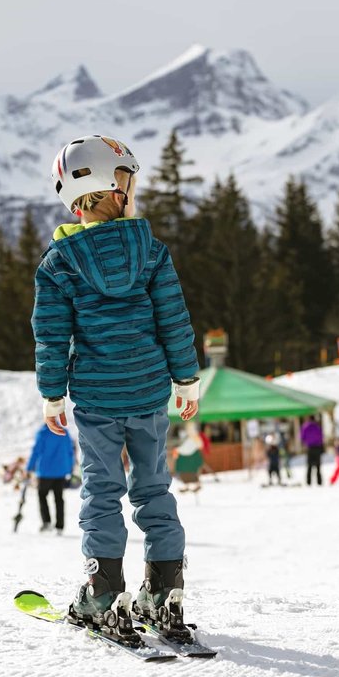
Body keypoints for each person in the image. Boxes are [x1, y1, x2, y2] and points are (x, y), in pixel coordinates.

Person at [32, 134, 200, 645]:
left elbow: (51, 333)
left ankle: (104, 596)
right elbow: (173, 319)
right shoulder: (150, 251)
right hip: (149, 394)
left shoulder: (59, 263)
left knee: (102, 493)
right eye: (127, 179)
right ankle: (164, 594)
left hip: (98, 400)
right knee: (154, 490)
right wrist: (186, 378)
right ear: (108, 186)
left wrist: (52, 392)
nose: (133, 188)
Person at [26, 422, 75, 534]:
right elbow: (70, 452)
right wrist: (70, 468)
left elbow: (36, 451)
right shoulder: (64, 432)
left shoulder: (42, 433)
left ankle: (46, 522)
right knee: (59, 498)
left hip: (45, 472)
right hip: (60, 471)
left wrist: (29, 468)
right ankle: (60, 526)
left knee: (42, 496)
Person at [300, 415, 324, 486]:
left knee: (309, 466)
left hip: (310, 448)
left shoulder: (305, 427)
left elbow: (302, 437)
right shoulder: (317, 427)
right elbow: (321, 437)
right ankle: (319, 482)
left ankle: (308, 482)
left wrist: (305, 443)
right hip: (317, 447)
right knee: (318, 466)